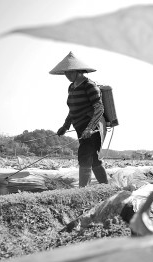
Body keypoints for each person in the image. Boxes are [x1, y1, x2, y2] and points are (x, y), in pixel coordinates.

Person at [50, 51, 108, 187]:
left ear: (79, 71)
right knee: (93, 159)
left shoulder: (90, 86)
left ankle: (83, 190)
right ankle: (106, 186)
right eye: (65, 73)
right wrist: (65, 126)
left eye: (70, 72)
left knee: (84, 155)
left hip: (92, 128)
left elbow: (99, 108)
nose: (67, 76)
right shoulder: (71, 87)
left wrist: (89, 128)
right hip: (80, 127)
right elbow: (73, 109)